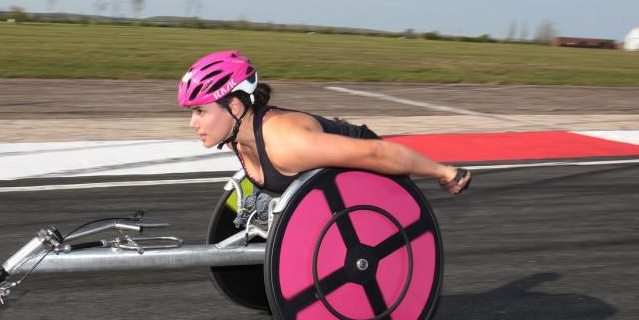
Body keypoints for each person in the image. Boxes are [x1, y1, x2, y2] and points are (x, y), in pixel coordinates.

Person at [178, 50, 472, 195]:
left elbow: (376, 153)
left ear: (235, 105)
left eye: (200, 111)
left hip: (371, 160)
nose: (193, 122)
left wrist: (443, 171)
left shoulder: (286, 144)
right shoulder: (237, 135)